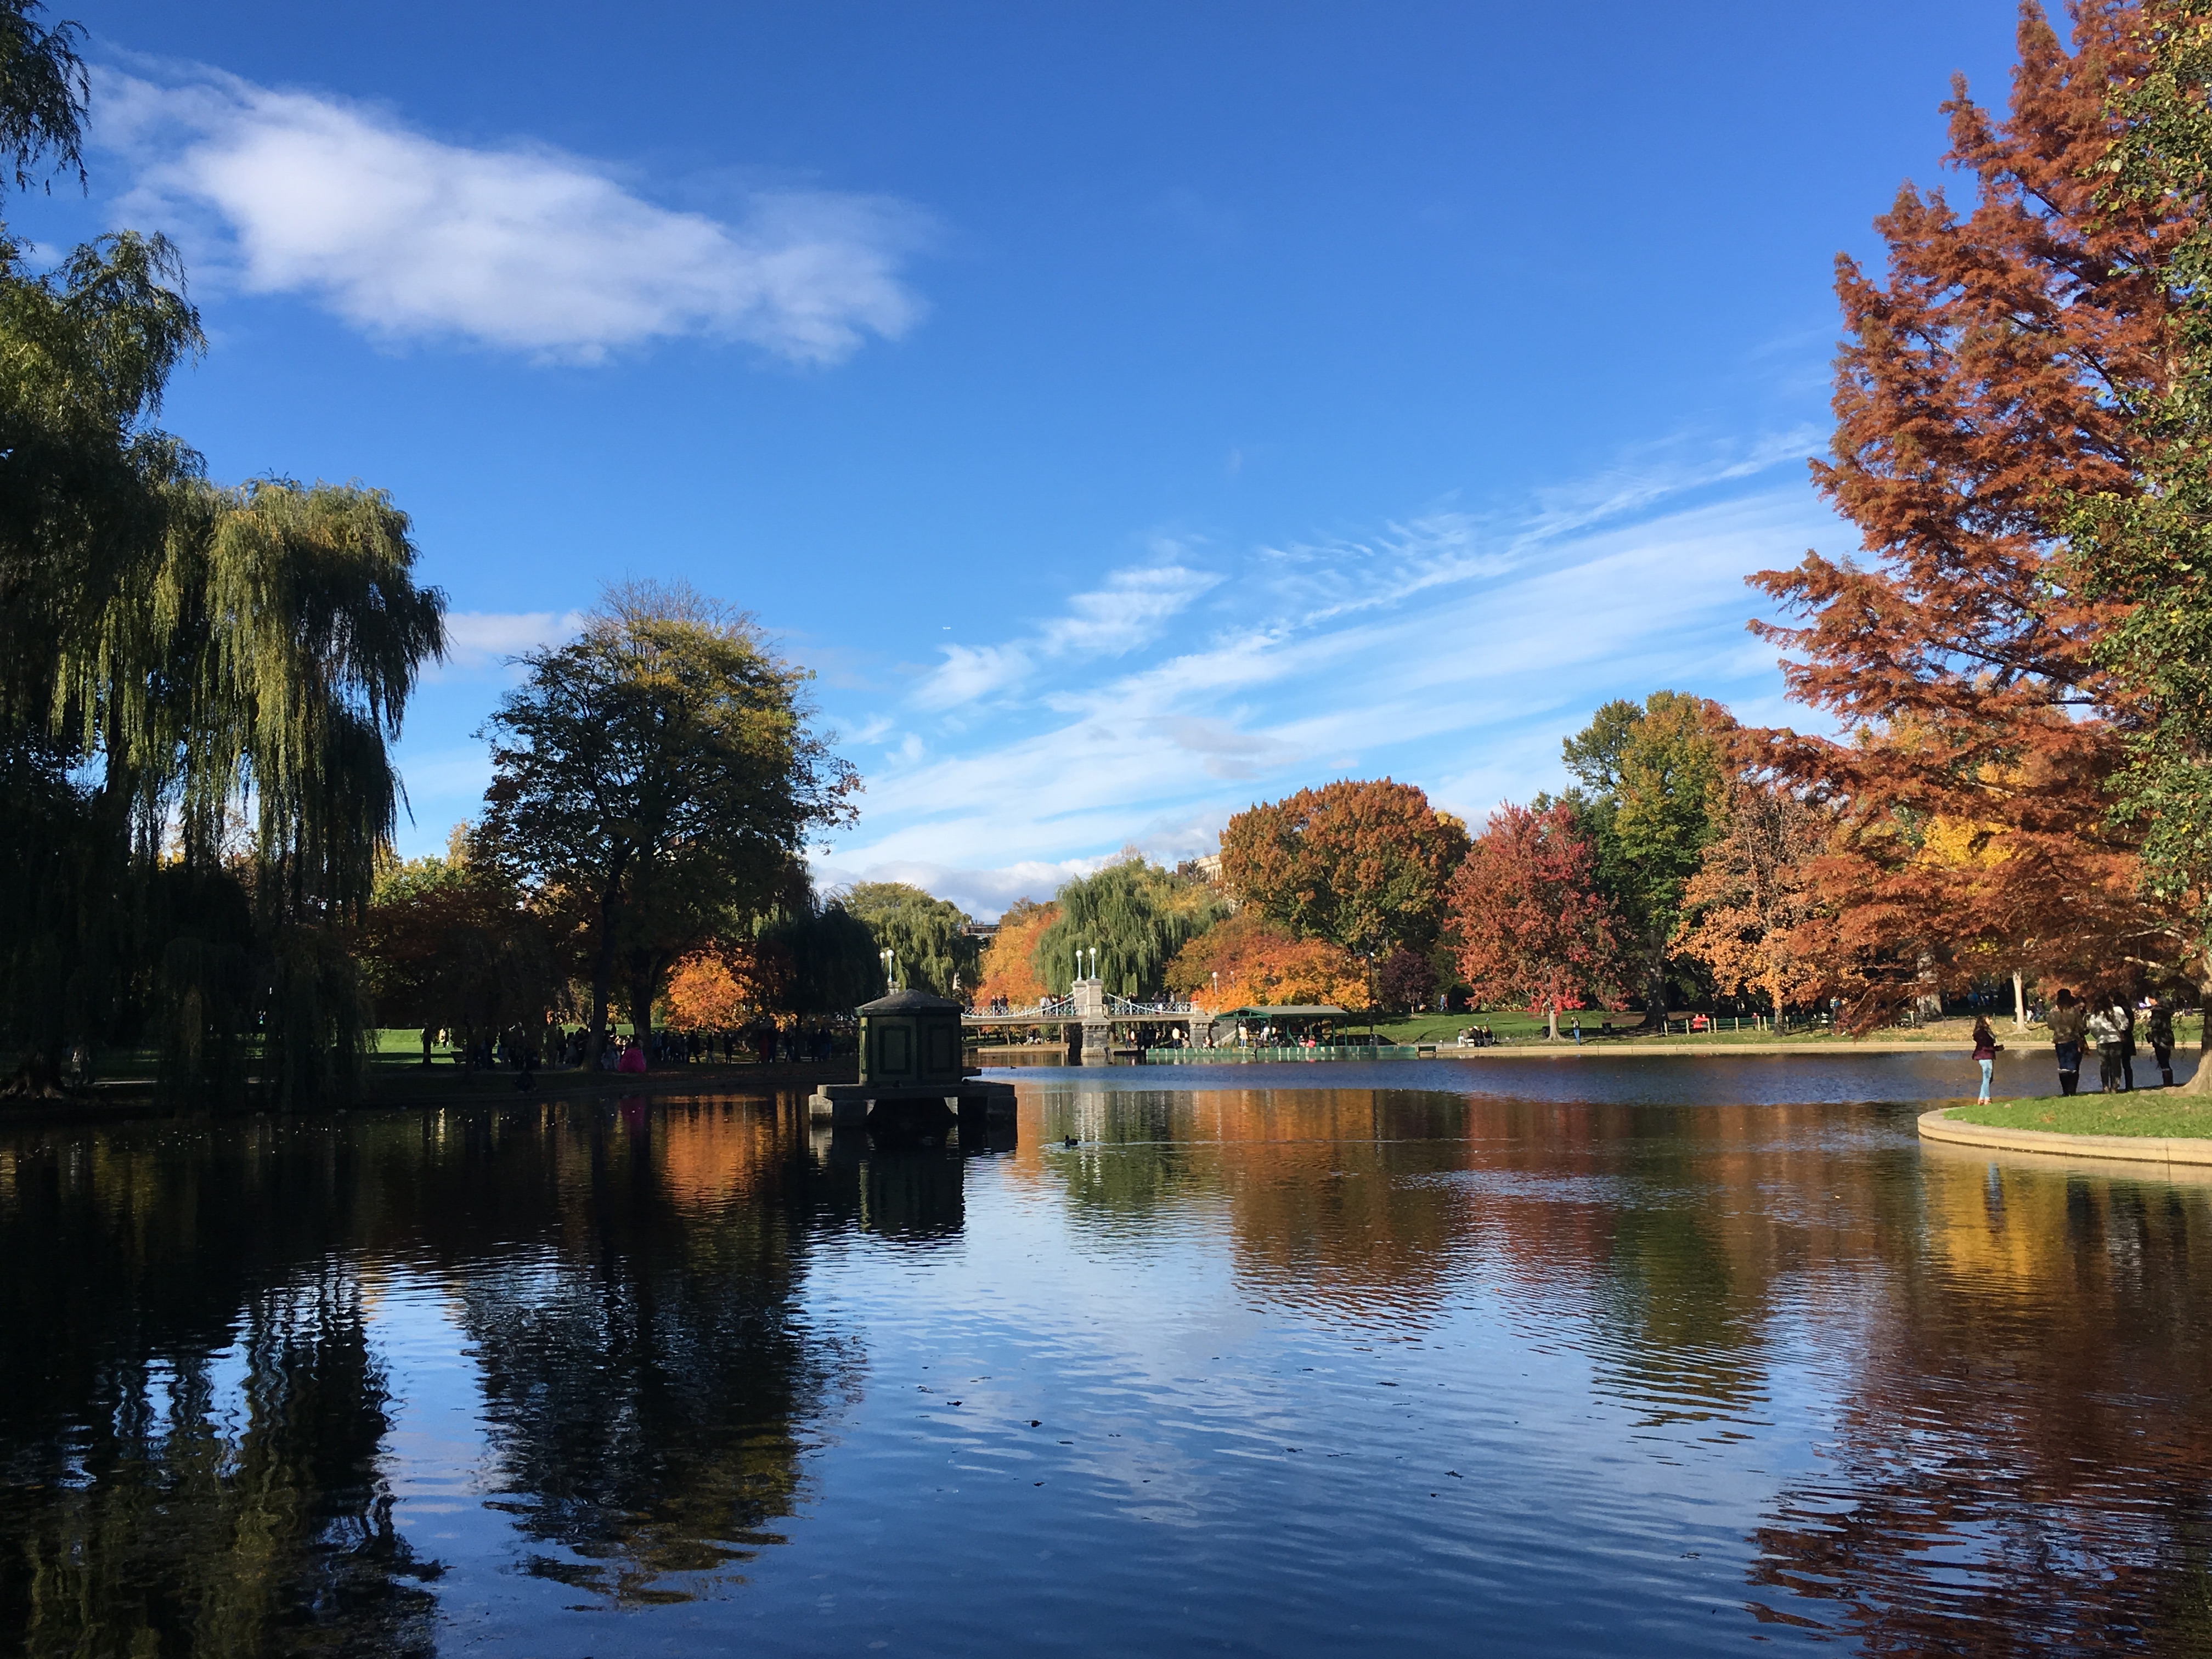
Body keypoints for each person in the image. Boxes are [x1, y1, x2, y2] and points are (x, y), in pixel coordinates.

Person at [2047, 989, 2086, 1096]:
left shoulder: (2053, 1012)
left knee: (2063, 1065)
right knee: (2072, 1064)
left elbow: (2050, 1026)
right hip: (2072, 1040)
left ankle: (2065, 1091)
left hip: (2059, 1041)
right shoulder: (2074, 1011)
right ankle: (2072, 1090)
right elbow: (2081, 1026)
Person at [2086, 998, 2127, 1093]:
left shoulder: (2095, 1013)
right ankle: (2115, 1086)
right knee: (2116, 1064)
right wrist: (2120, 1030)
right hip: (2116, 1039)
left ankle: (2105, 1086)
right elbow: (2125, 1024)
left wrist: (2098, 1036)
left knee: (2104, 1064)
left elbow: (2092, 1028)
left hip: (2102, 1040)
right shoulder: (2118, 1010)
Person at [1971, 1017, 2002, 1103]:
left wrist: (1996, 1048)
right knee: (1987, 1078)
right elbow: (1985, 1047)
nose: (1991, 1020)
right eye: (1989, 1019)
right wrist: (1996, 1049)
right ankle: (1987, 1099)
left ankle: (1981, 1098)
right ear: (1984, 1020)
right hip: (1985, 1057)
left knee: (1988, 1079)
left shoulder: (1983, 1032)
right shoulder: (1982, 1033)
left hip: (1985, 1056)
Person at [2149, 998, 2177, 1088]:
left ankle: (2167, 1084)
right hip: (2168, 1038)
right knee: (2166, 1062)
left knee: (2163, 1062)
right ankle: (2169, 1083)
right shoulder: (2166, 1011)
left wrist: (2149, 1021)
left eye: (2149, 999)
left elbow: (2155, 1024)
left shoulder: (2157, 1011)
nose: (2149, 1001)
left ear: (2154, 999)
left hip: (2161, 1039)